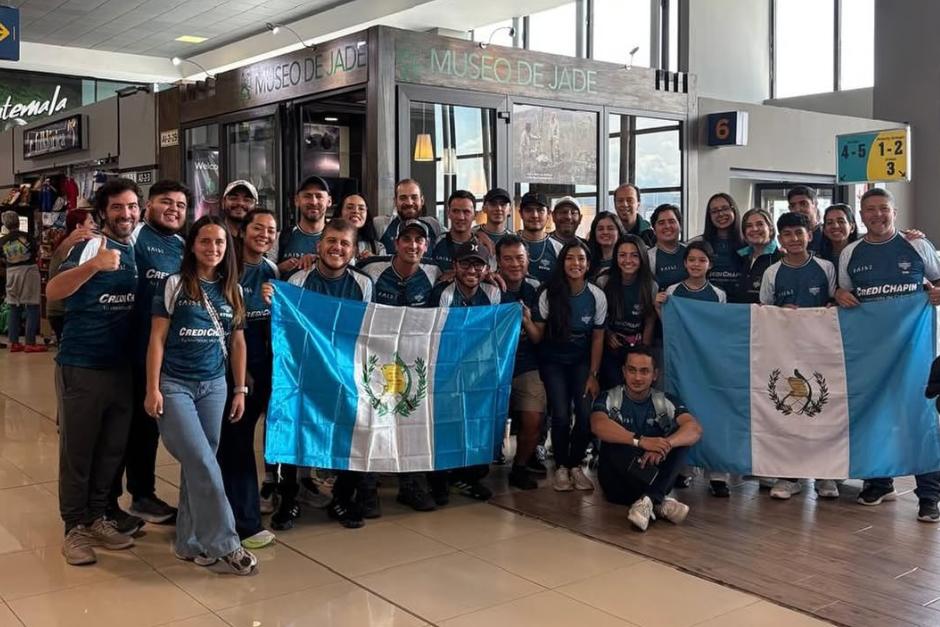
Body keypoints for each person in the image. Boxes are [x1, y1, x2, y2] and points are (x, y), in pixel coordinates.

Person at [144, 215, 258, 575]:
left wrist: (239, 389)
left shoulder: (233, 290)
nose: (213, 249)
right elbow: (157, 339)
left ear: (228, 249)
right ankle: (226, 543)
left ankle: (188, 541)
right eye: (205, 241)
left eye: (220, 243)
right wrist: (152, 388)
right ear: (192, 245)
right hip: (175, 385)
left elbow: (238, 343)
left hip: (215, 386)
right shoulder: (174, 284)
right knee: (204, 462)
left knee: (199, 464)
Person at [46, 177, 141, 566]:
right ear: (103, 212)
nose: (126, 213)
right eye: (118, 207)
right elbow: (53, 290)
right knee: (78, 451)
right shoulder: (90, 246)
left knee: (111, 450)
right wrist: (94, 266)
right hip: (83, 365)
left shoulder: (137, 248)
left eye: (133, 206)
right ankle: (74, 528)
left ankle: (100, 515)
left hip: (122, 368)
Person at [836, 188, 940, 522]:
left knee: (921, 420)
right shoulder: (851, 252)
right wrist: (840, 294)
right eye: (870, 210)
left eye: (884, 209)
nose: (877, 215)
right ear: (861, 215)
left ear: (894, 212)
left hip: (915, 352)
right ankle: (879, 482)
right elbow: (843, 291)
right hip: (870, 352)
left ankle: (929, 495)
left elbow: (938, 281)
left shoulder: (917, 245)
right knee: (873, 415)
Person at [273, 218, 375, 529]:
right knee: (292, 431)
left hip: (345, 371)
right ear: (319, 246)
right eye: (331, 241)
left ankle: (342, 500)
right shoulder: (298, 282)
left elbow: (367, 332)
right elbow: (287, 332)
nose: (337, 248)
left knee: (352, 433)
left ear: (354, 251)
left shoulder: (363, 284)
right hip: (303, 371)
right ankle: (288, 500)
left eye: (344, 243)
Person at [109, 180, 190, 533]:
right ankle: (106, 506)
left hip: (161, 358)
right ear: (147, 206)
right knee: (117, 432)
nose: (174, 209)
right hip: (123, 355)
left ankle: (142, 495)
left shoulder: (182, 245)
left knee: (146, 429)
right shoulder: (133, 237)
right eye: (166, 202)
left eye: (181, 205)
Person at [360, 219, 442, 512]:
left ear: (426, 246)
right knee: (373, 421)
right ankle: (367, 490)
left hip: (414, 360)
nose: (413, 245)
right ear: (396, 244)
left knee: (413, 422)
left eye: (419, 240)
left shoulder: (433, 274)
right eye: (406, 239)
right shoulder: (372, 271)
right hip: (375, 359)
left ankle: (412, 485)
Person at [759, 212, 838, 500]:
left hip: (821, 352)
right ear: (780, 239)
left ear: (809, 235)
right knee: (789, 412)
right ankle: (788, 475)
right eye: (787, 234)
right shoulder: (772, 273)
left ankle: (825, 476)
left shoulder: (826, 268)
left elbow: (833, 303)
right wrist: (783, 314)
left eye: (799, 233)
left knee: (823, 410)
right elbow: (764, 313)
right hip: (785, 355)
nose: (794, 239)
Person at [217, 208, 279, 548]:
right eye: (259, 228)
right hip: (235, 369)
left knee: (250, 442)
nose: (265, 235)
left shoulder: (270, 269)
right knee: (236, 444)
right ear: (243, 231)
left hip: (264, 365)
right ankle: (242, 521)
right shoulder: (226, 267)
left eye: (271, 230)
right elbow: (227, 328)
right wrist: (242, 375)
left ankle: (248, 509)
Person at [591, 346, 703, 531]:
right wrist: (640, 440)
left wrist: (665, 445)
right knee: (615, 438)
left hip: (651, 474)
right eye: (632, 370)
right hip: (616, 483)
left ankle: (649, 501)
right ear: (624, 372)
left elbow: (695, 429)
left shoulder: (665, 400)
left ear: (655, 374)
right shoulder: (609, 397)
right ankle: (657, 501)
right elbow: (597, 425)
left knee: (681, 442)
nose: (637, 377)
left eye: (644, 371)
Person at [427, 241, 501, 502]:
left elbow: (495, 333)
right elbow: (437, 337)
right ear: (455, 266)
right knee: (445, 424)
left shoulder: (493, 294)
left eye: (478, 264)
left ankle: (470, 477)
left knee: (477, 423)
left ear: (486, 268)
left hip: (479, 369)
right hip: (446, 368)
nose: (472, 269)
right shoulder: (443, 294)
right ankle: (438, 479)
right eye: (466, 263)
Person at [530, 240, 606, 492]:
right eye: (570, 258)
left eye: (581, 259)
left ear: (588, 264)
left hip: (582, 362)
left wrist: (593, 374)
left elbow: (597, 337)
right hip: (553, 361)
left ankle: (575, 466)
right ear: (562, 263)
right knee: (561, 415)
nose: (576, 264)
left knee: (585, 414)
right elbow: (539, 336)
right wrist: (525, 320)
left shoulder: (596, 295)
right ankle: (561, 466)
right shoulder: (547, 293)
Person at [655, 241, 729, 497]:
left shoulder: (718, 294)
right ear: (684, 263)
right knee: (682, 412)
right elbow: (669, 325)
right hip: (681, 362)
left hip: (708, 362)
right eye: (691, 260)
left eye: (702, 260)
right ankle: (683, 469)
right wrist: (658, 305)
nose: (696, 264)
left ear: (709, 264)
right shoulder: (674, 291)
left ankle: (717, 474)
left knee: (712, 413)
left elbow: (719, 328)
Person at [497, 235, 545, 490]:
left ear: (528, 261)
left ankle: (521, 466)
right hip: (493, 367)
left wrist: (525, 321)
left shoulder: (537, 289)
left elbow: (538, 337)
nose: (514, 264)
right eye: (508, 259)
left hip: (527, 364)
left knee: (533, 418)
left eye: (520, 258)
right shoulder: (490, 287)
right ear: (498, 262)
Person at [596, 236, 658, 390]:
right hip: (609, 345)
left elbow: (650, 320)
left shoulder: (650, 285)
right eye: (622, 255)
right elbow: (597, 318)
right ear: (615, 257)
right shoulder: (604, 281)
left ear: (642, 257)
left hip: (636, 345)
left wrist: (644, 349)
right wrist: (608, 334)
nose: (628, 260)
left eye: (634, 255)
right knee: (613, 388)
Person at [47, 210, 97, 345]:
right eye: (91, 222)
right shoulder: (72, 246)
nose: (95, 226)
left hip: (62, 309)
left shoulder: (69, 243)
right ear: (79, 227)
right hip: (63, 309)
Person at [1, 210, 45, 353]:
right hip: (28, 271)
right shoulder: (27, 237)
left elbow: (2, 259)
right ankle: (30, 342)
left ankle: (13, 342)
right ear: (19, 222)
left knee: (14, 306)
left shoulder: (2, 241)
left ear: (5, 225)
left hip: (11, 273)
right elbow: (36, 252)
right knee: (32, 305)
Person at [277, 176, 331, 278]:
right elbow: (265, 271)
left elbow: (348, 269)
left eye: (319, 196)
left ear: (329, 201)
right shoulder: (280, 237)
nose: (313, 202)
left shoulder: (338, 239)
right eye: (307, 196)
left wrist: (317, 260)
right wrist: (279, 268)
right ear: (297, 200)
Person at [375, 179, 441, 255]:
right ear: (395, 202)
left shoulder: (433, 225)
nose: (409, 203)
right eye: (403, 198)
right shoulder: (380, 225)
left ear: (422, 201)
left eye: (414, 197)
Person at [698, 193, 744, 300]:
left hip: (740, 306)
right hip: (709, 304)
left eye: (725, 208)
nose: (721, 214)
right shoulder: (700, 243)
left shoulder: (748, 243)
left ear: (734, 210)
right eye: (714, 211)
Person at [736, 208, 781, 304]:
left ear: (771, 229)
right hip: (741, 316)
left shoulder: (781, 259)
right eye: (749, 226)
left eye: (760, 224)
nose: (754, 229)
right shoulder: (739, 257)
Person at [517, 192, 563, 284]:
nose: (535, 215)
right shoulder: (507, 244)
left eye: (540, 210)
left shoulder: (558, 248)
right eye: (529, 210)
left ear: (549, 214)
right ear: (521, 214)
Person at [429, 190, 479, 272]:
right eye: (455, 211)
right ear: (448, 213)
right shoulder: (436, 242)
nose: (460, 217)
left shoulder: (481, 246)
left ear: (475, 215)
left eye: (466, 212)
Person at [647, 204, 687, 291]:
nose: (667, 226)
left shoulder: (690, 251)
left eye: (672, 221)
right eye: (661, 223)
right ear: (654, 229)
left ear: (680, 226)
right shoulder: (648, 257)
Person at [337, 193, 385, 261]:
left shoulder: (378, 247)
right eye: (350, 207)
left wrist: (375, 261)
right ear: (340, 212)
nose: (356, 211)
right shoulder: (329, 243)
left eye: (361, 208)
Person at [587, 211, 626, 279]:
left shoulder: (627, 260)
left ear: (619, 232)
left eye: (610, 228)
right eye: (600, 229)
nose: (605, 232)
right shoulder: (588, 261)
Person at [786, 186, 824, 254]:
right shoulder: (790, 237)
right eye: (793, 206)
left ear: (815, 204)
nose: (797, 209)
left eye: (803, 204)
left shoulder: (827, 234)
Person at [819, 203, 858, 267]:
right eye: (829, 223)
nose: (835, 226)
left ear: (852, 227)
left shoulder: (862, 254)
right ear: (824, 229)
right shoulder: (819, 258)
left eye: (841, 221)